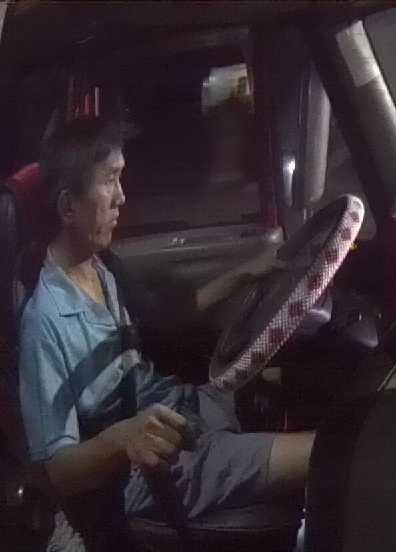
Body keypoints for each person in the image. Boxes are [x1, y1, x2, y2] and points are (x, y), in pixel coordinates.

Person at [18, 117, 314, 524]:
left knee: (293, 383)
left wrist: (246, 274)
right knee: (328, 453)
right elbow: (56, 471)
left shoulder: (100, 265)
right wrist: (121, 439)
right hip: (149, 469)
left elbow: (166, 315)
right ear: (69, 207)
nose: (122, 197)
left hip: (175, 406)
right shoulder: (44, 320)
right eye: (110, 181)